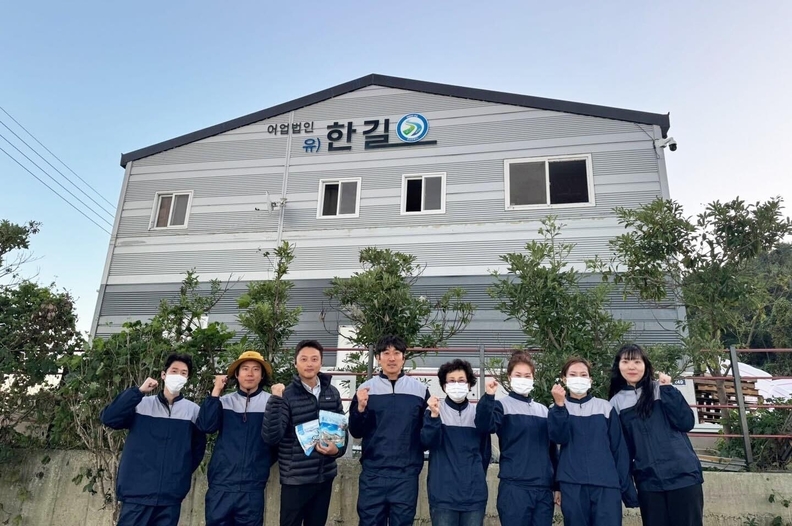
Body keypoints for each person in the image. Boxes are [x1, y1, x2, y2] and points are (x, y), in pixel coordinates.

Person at [100, 353, 206, 526]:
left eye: (183, 373)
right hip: (136, 494)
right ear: (164, 374)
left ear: (187, 379)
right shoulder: (141, 404)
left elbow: (197, 450)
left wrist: (179, 473)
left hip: (170, 498)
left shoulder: (193, 411)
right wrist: (138, 392)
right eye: (174, 371)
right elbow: (109, 418)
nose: (178, 376)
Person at [608, 343, 704, 526]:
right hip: (648, 481)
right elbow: (622, 450)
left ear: (645, 365)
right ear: (618, 366)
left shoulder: (661, 389)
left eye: (637, 361)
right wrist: (627, 485)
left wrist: (669, 390)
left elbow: (686, 422)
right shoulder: (615, 403)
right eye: (626, 362)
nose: (631, 367)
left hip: (683, 475)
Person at [262, 340, 347, 526]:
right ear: (295, 363)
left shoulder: (332, 392)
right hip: (295, 479)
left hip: (324, 476)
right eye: (304, 359)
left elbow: (342, 430)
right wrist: (275, 400)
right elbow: (272, 436)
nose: (309, 364)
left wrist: (337, 450)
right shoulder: (286, 395)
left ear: (321, 362)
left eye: (314, 359)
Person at [547, 357, 638, 526]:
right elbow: (558, 439)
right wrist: (559, 406)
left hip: (606, 484)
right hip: (572, 484)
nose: (579, 378)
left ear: (590, 379)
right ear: (564, 379)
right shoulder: (556, 409)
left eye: (583, 374)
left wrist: (625, 488)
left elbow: (619, 450)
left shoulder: (605, 407)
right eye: (573, 374)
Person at [349, 335, 430, 526]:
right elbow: (356, 431)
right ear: (378, 358)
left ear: (403, 357)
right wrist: (360, 408)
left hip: (406, 475)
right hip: (373, 473)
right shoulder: (365, 389)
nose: (391, 358)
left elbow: (427, 434)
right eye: (386, 353)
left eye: (396, 353)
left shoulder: (419, 390)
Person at [475, 350, 558, 526]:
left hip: (543, 489)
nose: (523, 379)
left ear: (533, 378)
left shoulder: (544, 410)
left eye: (527, 376)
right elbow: (484, 426)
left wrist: (556, 485)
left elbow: (552, 452)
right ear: (509, 377)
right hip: (515, 488)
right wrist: (488, 397)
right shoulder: (501, 406)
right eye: (518, 375)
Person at [196, 350, 275, 526]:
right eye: (245, 369)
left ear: (262, 375)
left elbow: (278, 439)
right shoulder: (224, 401)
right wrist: (216, 391)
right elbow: (206, 426)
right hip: (221, 484)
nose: (250, 373)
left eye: (256, 369)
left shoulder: (271, 403)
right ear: (237, 375)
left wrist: (260, 463)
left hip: (252, 487)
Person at [421, 359, 491, 526]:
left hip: (474, 497)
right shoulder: (434, 411)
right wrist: (434, 417)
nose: (456, 385)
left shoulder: (478, 415)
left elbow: (485, 454)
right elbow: (426, 442)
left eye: (461, 380)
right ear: (444, 386)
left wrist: (475, 476)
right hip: (443, 496)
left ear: (469, 384)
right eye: (451, 381)